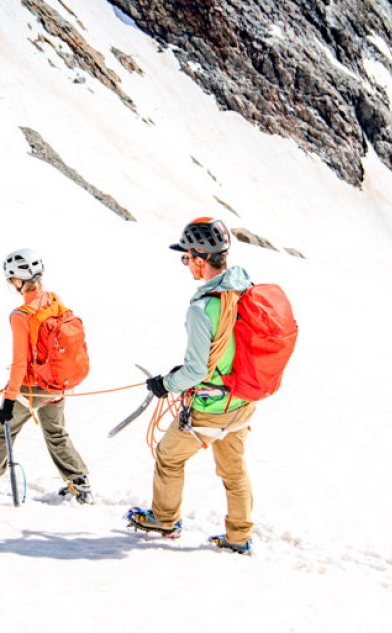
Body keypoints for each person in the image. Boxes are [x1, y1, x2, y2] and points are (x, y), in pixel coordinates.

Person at [127, 218, 256, 554]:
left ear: (201, 258)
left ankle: (165, 519)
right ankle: (239, 538)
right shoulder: (244, 290)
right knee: (234, 470)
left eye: (186, 257)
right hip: (242, 400)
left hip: (210, 407)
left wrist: (166, 384)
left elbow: (197, 369)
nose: (185, 264)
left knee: (168, 455)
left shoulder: (202, 308)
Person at [0, 249, 92, 503]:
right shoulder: (53, 300)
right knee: (56, 432)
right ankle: (79, 482)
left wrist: (9, 400)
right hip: (57, 381)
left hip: (34, 386)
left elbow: (20, 363)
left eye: (10, 279)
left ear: (18, 280)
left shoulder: (22, 315)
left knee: (3, 427)